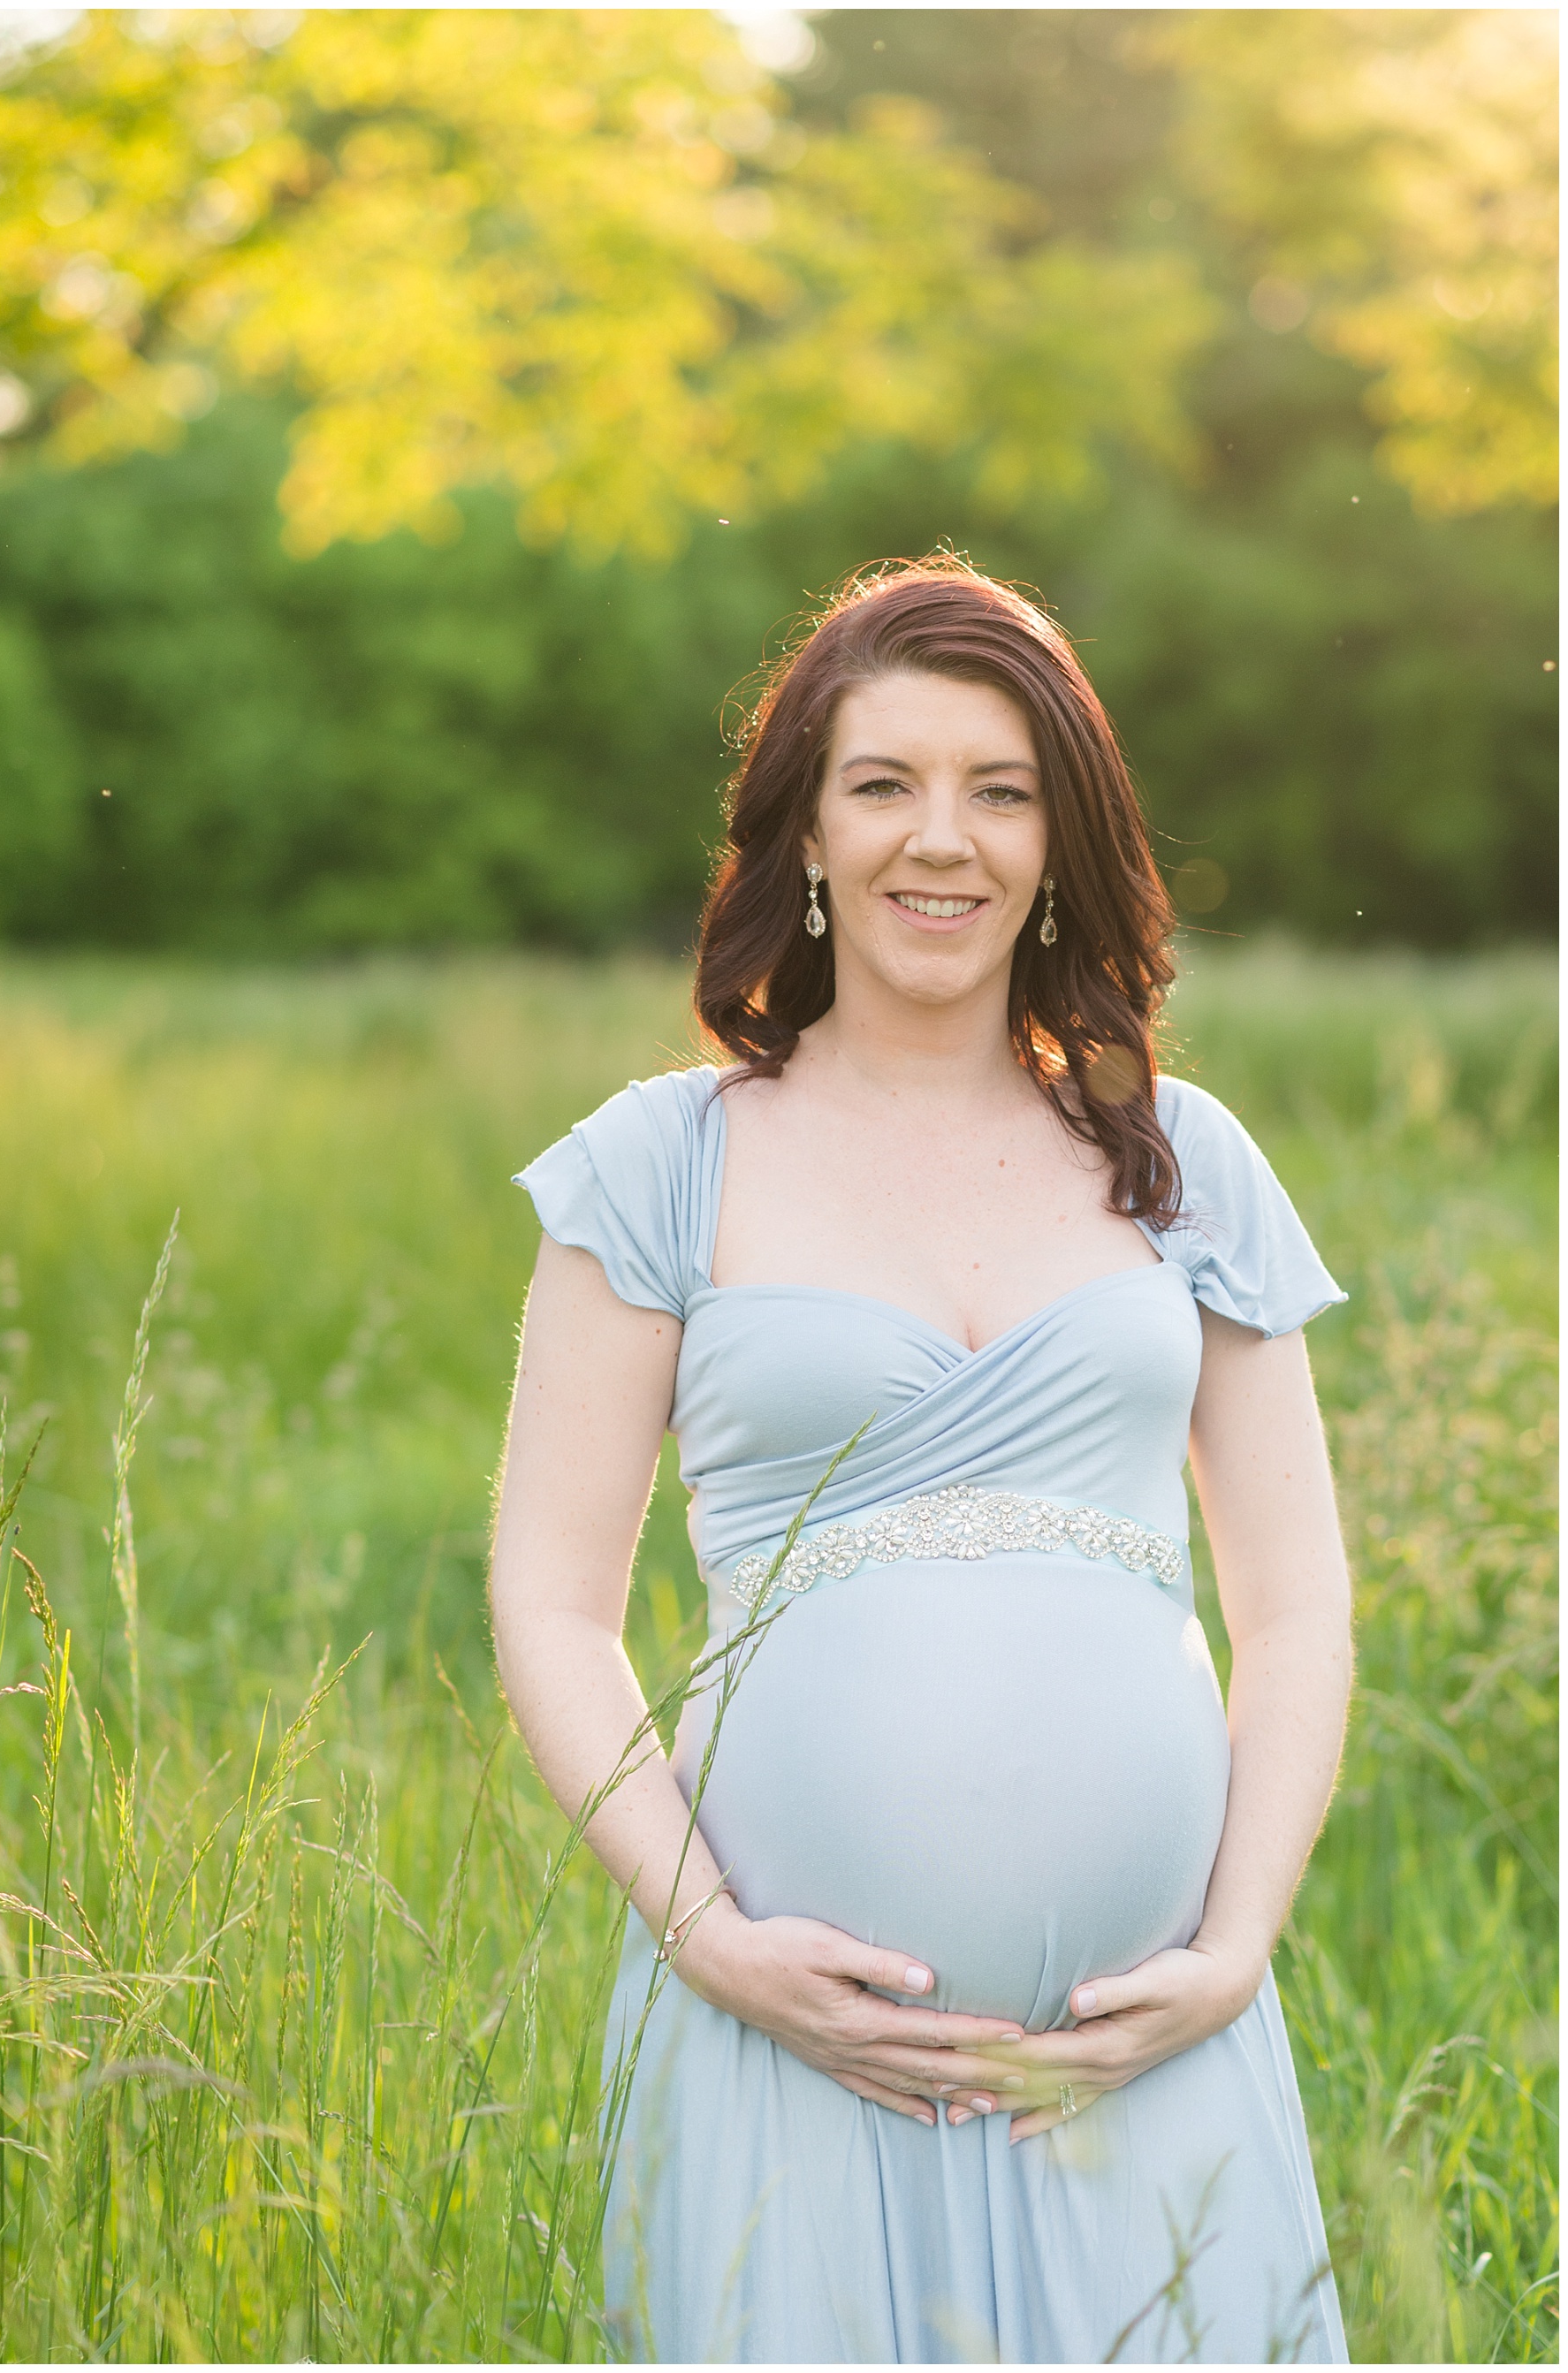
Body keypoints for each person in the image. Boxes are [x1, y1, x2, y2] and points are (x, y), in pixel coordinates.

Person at [491, 557, 1354, 2365]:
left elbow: (1294, 1605)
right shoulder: (661, 1161)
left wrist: (1237, 1949)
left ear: (1061, 840)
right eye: (884, 783)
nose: (937, 841)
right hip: (784, 2049)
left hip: (1147, 2055)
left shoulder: (1182, 1159)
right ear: (805, 826)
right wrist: (714, 1938)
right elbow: (554, 1604)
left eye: (999, 788)